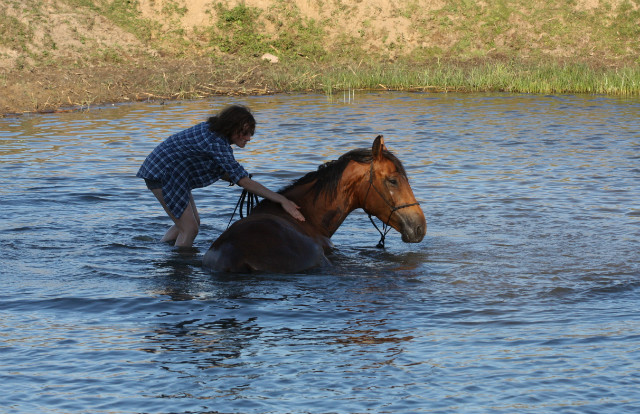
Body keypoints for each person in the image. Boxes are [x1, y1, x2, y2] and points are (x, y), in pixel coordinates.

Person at [136, 104, 305, 248]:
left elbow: (217, 167)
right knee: (190, 229)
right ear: (231, 128)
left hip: (172, 173)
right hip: (163, 174)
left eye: (250, 133)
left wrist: (236, 178)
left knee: (189, 225)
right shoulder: (217, 143)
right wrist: (283, 200)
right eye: (244, 133)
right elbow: (243, 181)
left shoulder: (213, 132)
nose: (248, 138)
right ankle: (179, 270)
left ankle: (162, 249)